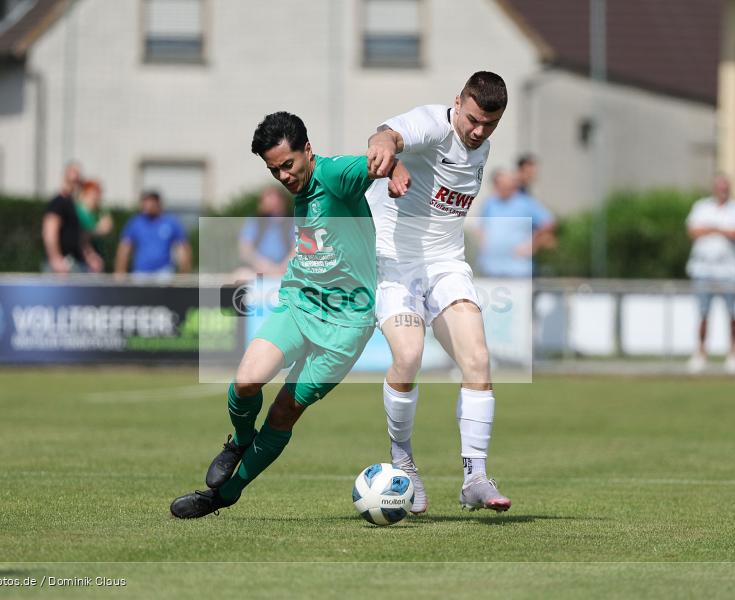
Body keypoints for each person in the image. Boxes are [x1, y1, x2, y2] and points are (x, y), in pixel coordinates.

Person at [170, 111, 410, 519]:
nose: (282, 175)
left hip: (345, 327)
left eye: (288, 165)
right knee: (247, 381)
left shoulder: (334, 175)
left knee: (283, 412)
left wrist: (393, 161)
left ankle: (223, 497)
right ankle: (239, 441)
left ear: (308, 151)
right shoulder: (299, 186)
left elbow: (378, 156)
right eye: (273, 169)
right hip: (299, 302)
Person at [365, 71, 512, 514]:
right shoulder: (432, 123)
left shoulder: (480, 145)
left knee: (478, 359)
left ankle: (475, 477)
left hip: (447, 267)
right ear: (457, 103)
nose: (478, 131)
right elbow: (384, 136)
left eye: (489, 123)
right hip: (395, 266)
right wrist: (390, 157)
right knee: (408, 357)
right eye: (471, 119)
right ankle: (403, 460)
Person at [684, 174, 735, 374]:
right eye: (720, 187)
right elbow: (693, 231)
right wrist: (720, 229)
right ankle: (701, 353)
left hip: (729, 270)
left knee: (731, 313)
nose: (723, 191)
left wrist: (711, 228)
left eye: (726, 187)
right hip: (703, 269)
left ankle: (733, 354)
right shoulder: (701, 207)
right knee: (703, 313)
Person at [477, 162, 556, 278]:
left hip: (518, 269)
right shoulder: (490, 203)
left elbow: (548, 223)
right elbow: (481, 227)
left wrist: (532, 246)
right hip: (491, 268)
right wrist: (484, 243)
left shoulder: (526, 203)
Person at [42, 162, 103, 273]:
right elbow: (50, 232)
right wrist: (55, 258)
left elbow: (80, 238)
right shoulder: (58, 202)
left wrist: (90, 256)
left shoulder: (76, 206)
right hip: (61, 265)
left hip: (75, 264)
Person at [114, 191, 192, 277]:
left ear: (158, 203)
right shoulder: (135, 223)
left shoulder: (170, 222)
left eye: (151, 202)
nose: (148, 206)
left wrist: (184, 273)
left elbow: (182, 248)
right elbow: (125, 247)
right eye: (145, 202)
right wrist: (120, 272)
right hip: (141, 273)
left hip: (164, 273)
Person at [236, 186, 295, 278]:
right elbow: (245, 250)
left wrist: (283, 267)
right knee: (241, 275)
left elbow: (296, 249)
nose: (272, 202)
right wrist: (264, 266)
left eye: (274, 198)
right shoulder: (254, 221)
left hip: (287, 270)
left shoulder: (293, 221)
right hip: (258, 269)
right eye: (267, 198)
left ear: (283, 201)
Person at [75, 179, 114, 261]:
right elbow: (81, 236)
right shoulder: (79, 211)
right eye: (95, 193)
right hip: (84, 258)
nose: (98, 197)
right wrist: (98, 230)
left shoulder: (96, 213)